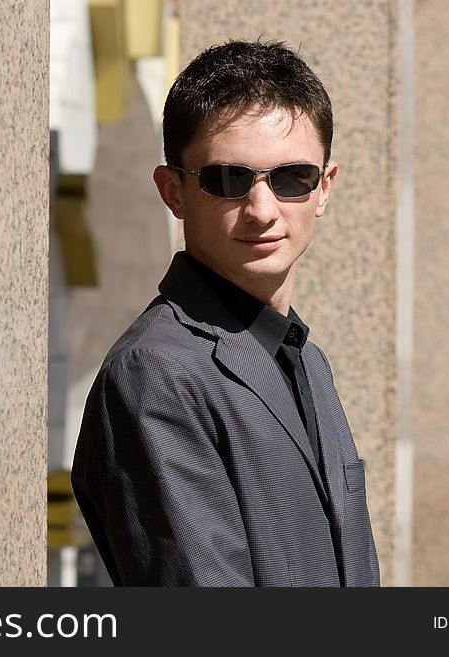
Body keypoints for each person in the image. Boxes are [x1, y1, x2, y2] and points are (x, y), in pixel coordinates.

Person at [71, 39, 380, 586]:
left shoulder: (305, 359)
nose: (263, 211)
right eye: (228, 180)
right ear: (173, 192)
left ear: (324, 188)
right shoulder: (158, 372)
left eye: (292, 179)